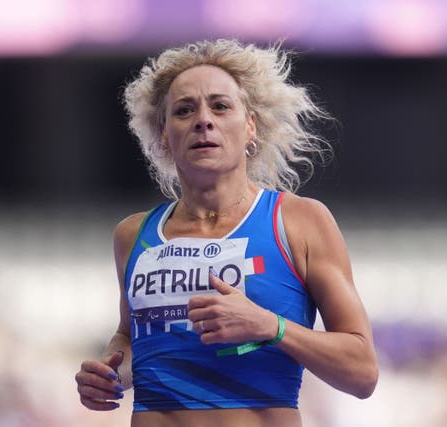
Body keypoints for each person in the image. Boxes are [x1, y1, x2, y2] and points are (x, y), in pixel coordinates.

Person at [75, 39, 378, 427]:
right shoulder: (132, 235)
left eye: (220, 106)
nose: (204, 120)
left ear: (250, 125)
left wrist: (271, 327)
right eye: (184, 110)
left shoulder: (299, 222)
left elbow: (363, 371)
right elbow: (131, 339)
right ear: (164, 136)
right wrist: (110, 375)